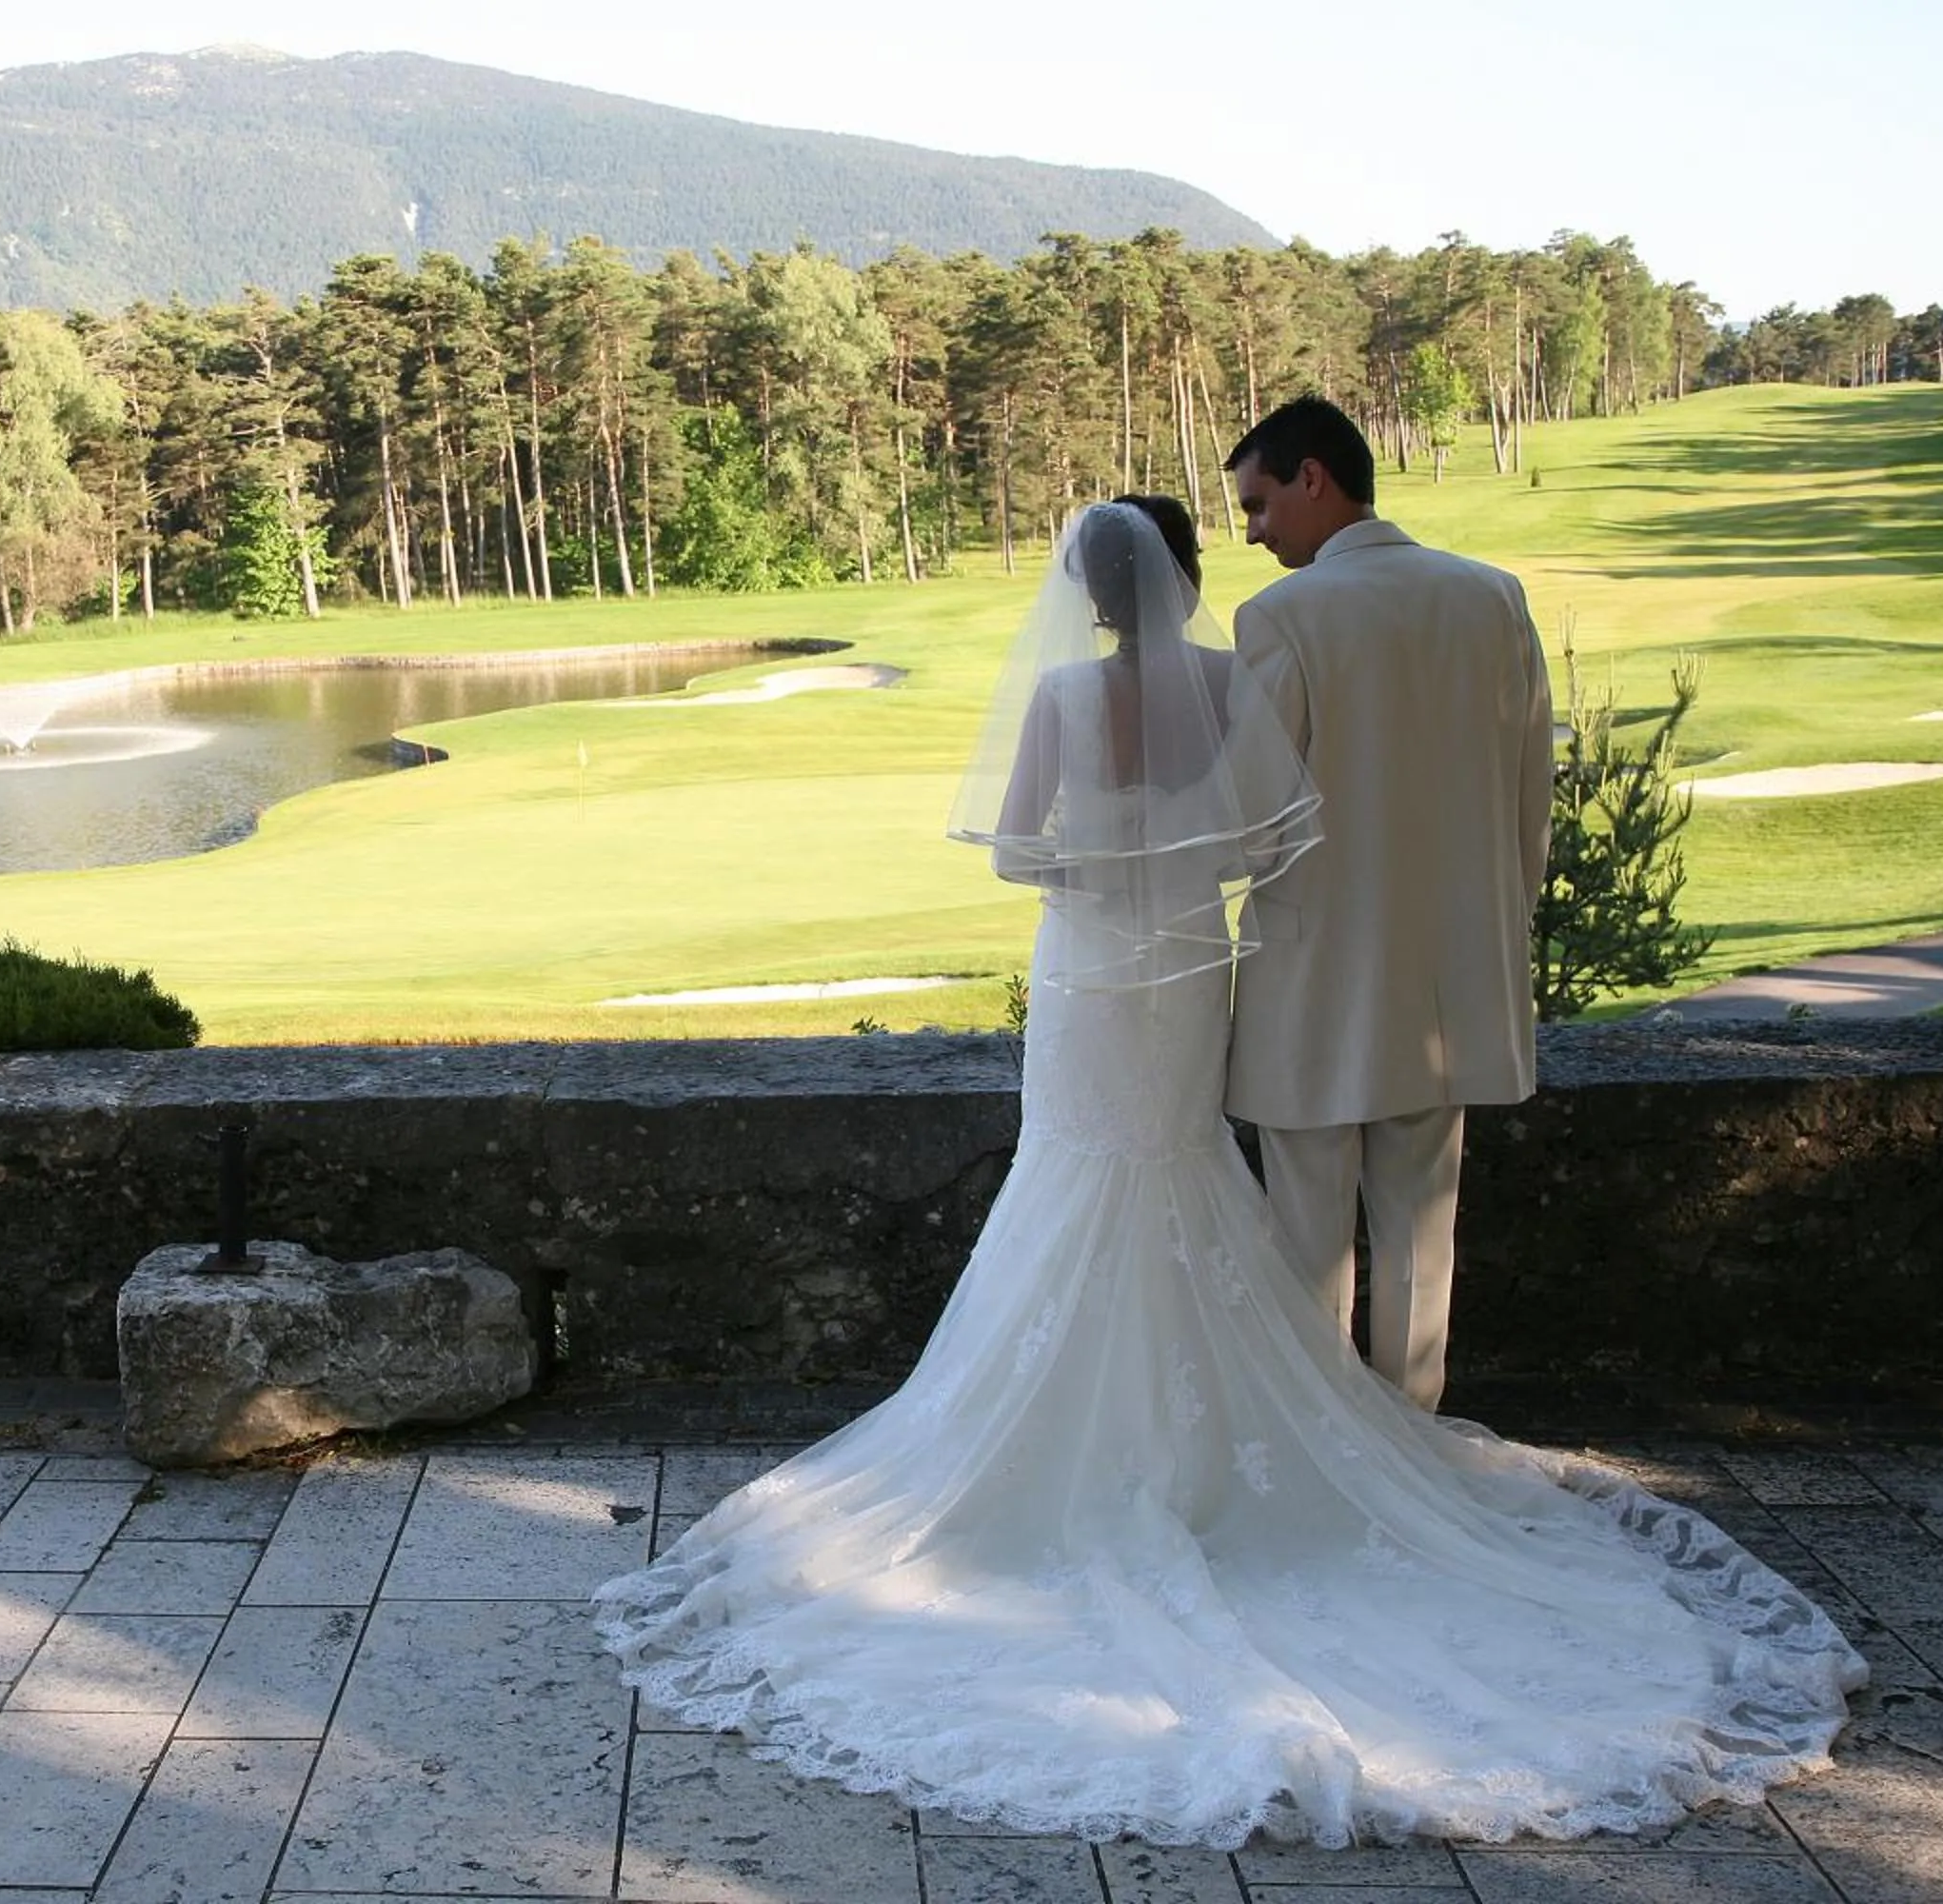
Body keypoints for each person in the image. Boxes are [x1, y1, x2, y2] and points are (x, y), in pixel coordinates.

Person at [593, 496, 1862, 1850]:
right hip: (1190, 974)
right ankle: (1261, 1448)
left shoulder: (1064, 699)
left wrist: (1103, 863)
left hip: (1092, 973)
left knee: (1076, 1173)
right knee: (1184, 1169)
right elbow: (1270, 836)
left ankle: (1071, 1450)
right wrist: (1178, 865)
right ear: (1185, 574)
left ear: (1085, 595)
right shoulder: (1224, 679)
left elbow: (1017, 850)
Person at [1222, 396, 1552, 1411]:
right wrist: (1495, 927)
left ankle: (1327, 1447)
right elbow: (1530, 798)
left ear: (1314, 478)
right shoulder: (1492, 598)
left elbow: (1250, 819)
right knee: (1421, 1237)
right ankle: (1413, 1442)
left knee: (1308, 1244)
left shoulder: (1283, 616)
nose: (1254, 531)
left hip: (1312, 974)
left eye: (1260, 504)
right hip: (1452, 979)